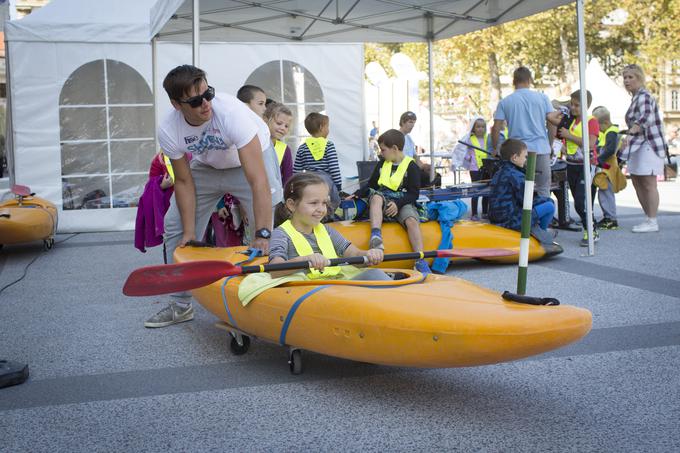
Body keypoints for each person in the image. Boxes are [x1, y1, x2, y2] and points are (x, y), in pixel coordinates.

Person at [144, 65, 272, 328]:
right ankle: (181, 305)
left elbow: (258, 181)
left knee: (268, 230)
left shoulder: (232, 113)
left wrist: (262, 233)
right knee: (175, 227)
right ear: (177, 104)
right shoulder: (169, 129)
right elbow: (183, 181)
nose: (205, 104)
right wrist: (190, 232)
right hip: (207, 166)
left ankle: (267, 298)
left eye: (208, 94)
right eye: (195, 100)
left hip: (249, 162)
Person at [269, 172, 385, 279]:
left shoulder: (328, 231)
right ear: (292, 205)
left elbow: (354, 254)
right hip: (305, 291)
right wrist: (305, 260)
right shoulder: (281, 234)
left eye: (324, 203)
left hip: (333, 288)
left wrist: (369, 255)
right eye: (314, 203)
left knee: (375, 274)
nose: (321, 209)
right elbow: (275, 270)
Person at [349, 129, 431, 275]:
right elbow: (372, 185)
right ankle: (376, 236)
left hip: (403, 201)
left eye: (383, 150)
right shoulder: (382, 163)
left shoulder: (411, 167)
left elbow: (414, 194)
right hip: (383, 198)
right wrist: (356, 194)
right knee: (375, 197)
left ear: (394, 149)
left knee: (411, 221)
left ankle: (420, 259)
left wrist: (398, 204)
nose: (381, 153)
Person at [491, 67, 563, 198]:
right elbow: (552, 122)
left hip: (516, 152)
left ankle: (522, 218)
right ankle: (543, 216)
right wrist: (549, 144)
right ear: (529, 80)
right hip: (541, 149)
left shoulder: (505, 102)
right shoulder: (543, 98)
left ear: (513, 81)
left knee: (519, 190)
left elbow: (496, 128)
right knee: (543, 189)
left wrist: (495, 148)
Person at [621, 64, 668, 233]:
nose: (626, 80)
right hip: (638, 145)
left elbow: (646, 116)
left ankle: (652, 220)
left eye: (630, 77)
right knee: (636, 180)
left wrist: (634, 128)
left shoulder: (644, 96)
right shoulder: (635, 97)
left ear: (639, 78)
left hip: (649, 144)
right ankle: (648, 218)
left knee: (648, 183)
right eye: (625, 77)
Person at [488, 139, 556, 245]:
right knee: (549, 205)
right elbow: (527, 201)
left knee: (544, 202)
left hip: (497, 219)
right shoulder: (516, 175)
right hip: (510, 221)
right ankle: (540, 232)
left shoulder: (500, 171)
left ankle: (537, 229)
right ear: (514, 158)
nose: (525, 160)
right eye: (524, 156)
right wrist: (535, 192)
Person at [559, 89, 600, 247]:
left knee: (581, 202)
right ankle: (590, 226)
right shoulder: (571, 121)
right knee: (578, 200)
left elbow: (590, 144)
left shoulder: (591, 121)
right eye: (572, 104)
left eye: (577, 105)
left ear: (586, 105)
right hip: (571, 164)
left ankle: (591, 230)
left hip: (586, 165)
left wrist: (568, 136)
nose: (573, 108)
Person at [237, 84, 283, 208]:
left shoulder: (262, 130)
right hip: (255, 197)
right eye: (260, 104)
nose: (264, 108)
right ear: (245, 105)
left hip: (271, 195)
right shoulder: (242, 132)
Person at [293, 112, 342, 211]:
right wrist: (338, 185)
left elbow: (296, 171)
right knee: (332, 204)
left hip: (308, 181)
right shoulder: (329, 145)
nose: (328, 130)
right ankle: (329, 218)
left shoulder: (302, 147)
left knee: (313, 204)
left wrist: (297, 186)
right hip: (326, 182)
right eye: (327, 127)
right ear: (321, 127)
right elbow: (334, 168)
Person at [451, 116, 493, 220]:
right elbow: (461, 150)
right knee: (476, 191)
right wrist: (468, 158)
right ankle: (474, 213)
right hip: (475, 169)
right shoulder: (469, 139)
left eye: (483, 127)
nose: (480, 129)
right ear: (473, 128)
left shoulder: (488, 139)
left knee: (486, 191)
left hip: (487, 168)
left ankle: (484, 212)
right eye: (478, 127)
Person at [592, 106, 624, 230]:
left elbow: (610, 150)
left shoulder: (611, 132)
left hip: (607, 166)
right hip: (608, 165)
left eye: (598, 126)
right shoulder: (611, 130)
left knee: (605, 192)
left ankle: (610, 219)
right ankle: (609, 217)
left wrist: (598, 160)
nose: (598, 129)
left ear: (605, 122)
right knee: (604, 191)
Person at [398, 111, 436, 186]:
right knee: (426, 178)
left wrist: (423, 166)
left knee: (435, 175)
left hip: (411, 169)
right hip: (402, 171)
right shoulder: (395, 137)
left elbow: (415, 157)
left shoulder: (409, 138)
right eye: (410, 122)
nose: (412, 125)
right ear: (402, 122)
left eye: (414, 123)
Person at [264, 102, 294, 184]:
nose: (282, 128)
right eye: (279, 123)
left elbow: (288, 177)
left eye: (286, 126)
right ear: (266, 120)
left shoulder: (285, 149)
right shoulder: (256, 143)